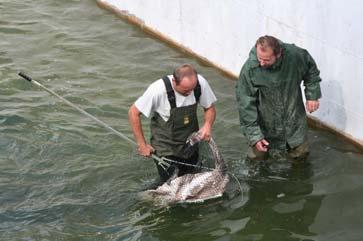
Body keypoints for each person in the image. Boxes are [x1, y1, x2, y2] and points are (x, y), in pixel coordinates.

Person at [235, 35, 322, 161]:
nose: (261, 63)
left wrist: (312, 96)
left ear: (279, 54)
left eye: (266, 60)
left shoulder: (295, 55)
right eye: (259, 58)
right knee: (257, 158)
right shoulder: (250, 69)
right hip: (266, 124)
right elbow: (245, 103)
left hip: (294, 120)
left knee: (301, 155)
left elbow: (311, 72)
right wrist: (254, 135)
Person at [129, 64, 217, 183]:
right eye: (186, 90)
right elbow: (133, 113)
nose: (190, 92)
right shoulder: (158, 90)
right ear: (174, 81)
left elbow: (209, 108)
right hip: (166, 148)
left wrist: (207, 125)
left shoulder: (200, 83)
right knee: (171, 183)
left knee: (192, 180)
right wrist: (142, 145)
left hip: (190, 145)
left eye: (192, 89)